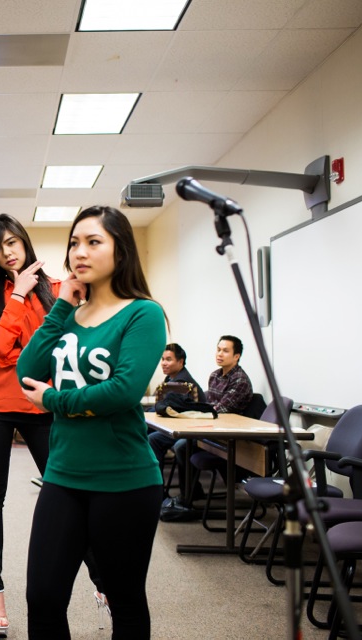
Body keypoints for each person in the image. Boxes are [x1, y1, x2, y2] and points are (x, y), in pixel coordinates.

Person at [17, 205, 166, 639]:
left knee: (124, 598)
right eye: (74, 242)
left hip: (124, 479)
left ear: (122, 251)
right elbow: (27, 369)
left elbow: (122, 391)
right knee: (42, 598)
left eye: (94, 241)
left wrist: (54, 400)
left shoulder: (143, 313)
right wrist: (61, 306)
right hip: (63, 475)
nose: (79, 252)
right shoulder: (71, 317)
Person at [0, 214, 102, 637]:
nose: (8, 252)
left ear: (24, 242)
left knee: (67, 490)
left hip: (41, 402)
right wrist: (18, 297)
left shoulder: (59, 290)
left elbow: (60, 346)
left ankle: (103, 579)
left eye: (12, 242)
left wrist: (6, 351)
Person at [166, 335, 253, 508]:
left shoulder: (240, 380)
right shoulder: (215, 376)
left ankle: (188, 497)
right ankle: (191, 493)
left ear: (236, 356)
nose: (219, 354)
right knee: (182, 445)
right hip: (213, 429)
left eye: (225, 351)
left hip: (230, 436)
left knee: (182, 446)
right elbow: (209, 407)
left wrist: (198, 413)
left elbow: (219, 409)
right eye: (218, 349)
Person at [147, 343, 206, 455]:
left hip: (187, 428)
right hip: (175, 424)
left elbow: (167, 409)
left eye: (168, 360)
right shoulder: (170, 378)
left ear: (180, 362)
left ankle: (155, 472)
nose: (164, 363)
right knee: (143, 429)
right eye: (163, 359)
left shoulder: (183, 382)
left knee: (153, 439)